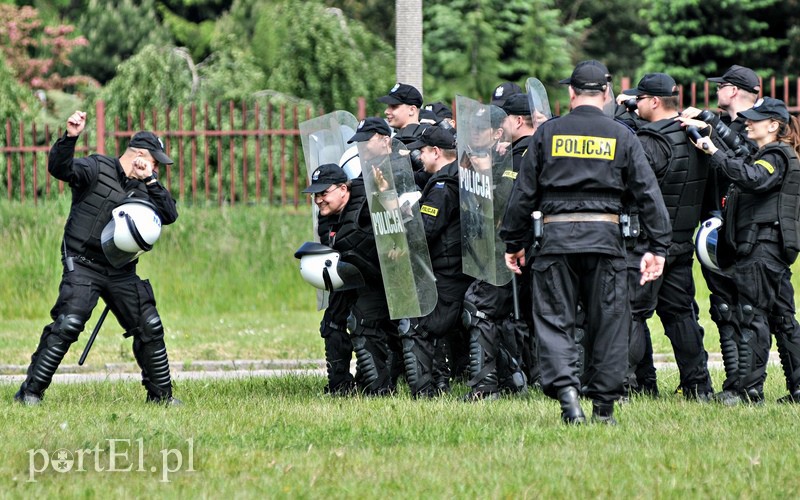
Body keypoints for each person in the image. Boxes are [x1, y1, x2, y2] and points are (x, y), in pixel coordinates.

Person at [500, 60, 672, 425]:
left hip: (555, 242)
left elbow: (522, 195)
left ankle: (568, 399)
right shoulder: (622, 135)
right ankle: (604, 409)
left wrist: (513, 242)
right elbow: (648, 193)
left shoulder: (547, 135)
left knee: (555, 320)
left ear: (571, 93)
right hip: (607, 242)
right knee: (609, 322)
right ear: (606, 93)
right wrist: (658, 247)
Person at [15, 111, 180, 406]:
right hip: (83, 265)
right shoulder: (95, 167)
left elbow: (170, 215)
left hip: (121, 271)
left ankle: (162, 398)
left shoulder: (146, 186)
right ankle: (29, 393)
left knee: (149, 324)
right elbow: (59, 168)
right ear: (141, 155)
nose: (157, 168)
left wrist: (151, 181)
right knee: (68, 324)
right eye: (155, 162)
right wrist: (70, 137)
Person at [685, 97, 800, 404]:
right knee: (783, 318)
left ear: (773, 126)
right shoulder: (773, 153)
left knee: (752, 316)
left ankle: (749, 390)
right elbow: (743, 160)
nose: (748, 122)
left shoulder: (775, 155)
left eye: (755, 119)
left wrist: (712, 151)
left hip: (762, 248)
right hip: (771, 249)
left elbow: (754, 179)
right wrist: (711, 129)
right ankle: (798, 388)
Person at [619, 73, 713, 400]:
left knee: (631, 312)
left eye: (640, 99)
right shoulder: (694, 134)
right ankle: (698, 385)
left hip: (648, 245)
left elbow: (631, 189)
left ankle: (628, 386)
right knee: (681, 314)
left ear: (654, 101)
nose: (635, 103)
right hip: (681, 240)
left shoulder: (650, 142)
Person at [681, 65, 762, 403]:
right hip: (715, 226)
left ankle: (750, 387)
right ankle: (733, 383)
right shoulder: (721, 124)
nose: (715, 92)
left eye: (720, 87)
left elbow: (747, 158)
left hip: (746, 229)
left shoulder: (761, 125)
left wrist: (708, 124)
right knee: (723, 307)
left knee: (747, 309)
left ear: (732, 90)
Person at [304, 163, 395, 396]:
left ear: (343, 189)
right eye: (315, 195)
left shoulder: (366, 203)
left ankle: (379, 389)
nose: (318, 200)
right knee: (331, 325)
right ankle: (340, 387)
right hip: (346, 278)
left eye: (324, 193)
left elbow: (397, 224)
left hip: (377, 282)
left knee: (362, 323)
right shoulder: (325, 216)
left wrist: (385, 195)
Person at [399, 126, 474, 398]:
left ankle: (425, 392)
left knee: (417, 325)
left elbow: (427, 229)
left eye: (422, 151)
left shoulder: (443, 185)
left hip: (446, 270)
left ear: (435, 152)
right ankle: (440, 384)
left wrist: (406, 221)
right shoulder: (462, 177)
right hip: (458, 267)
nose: (419, 156)